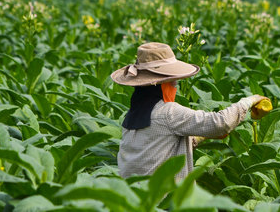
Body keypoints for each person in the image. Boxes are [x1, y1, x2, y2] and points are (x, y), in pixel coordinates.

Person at [111, 42, 266, 180]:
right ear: (161, 85)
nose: (175, 88)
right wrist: (249, 101)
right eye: (173, 83)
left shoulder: (131, 115)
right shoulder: (168, 112)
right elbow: (221, 123)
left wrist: (202, 135)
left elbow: (159, 147)